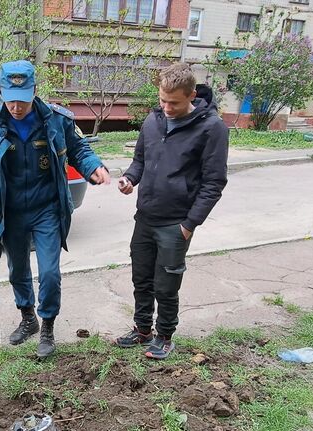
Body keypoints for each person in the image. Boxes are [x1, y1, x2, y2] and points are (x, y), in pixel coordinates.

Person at [0, 60, 111, 359]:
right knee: (18, 269)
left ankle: (48, 326)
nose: (16, 107)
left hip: (46, 208)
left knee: (50, 272)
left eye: (23, 100)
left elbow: (80, 149)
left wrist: (93, 168)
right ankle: (28, 318)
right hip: (9, 209)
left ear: (35, 91)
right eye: (11, 99)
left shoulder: (56, 119)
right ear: (2, 93)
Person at [115, 62, 229, 360]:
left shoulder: (212, 128)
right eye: (162, 100)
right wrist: (129, 179)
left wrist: (190, 224)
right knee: (142, 278)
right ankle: (142, 330)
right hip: (145, 217)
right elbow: (140, 160)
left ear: (191, 95)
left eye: (174, 102)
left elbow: (214, 182)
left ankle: (164, 336)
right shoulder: (153, 121)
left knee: (166, 285)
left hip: (176, 223)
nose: (166, 107)